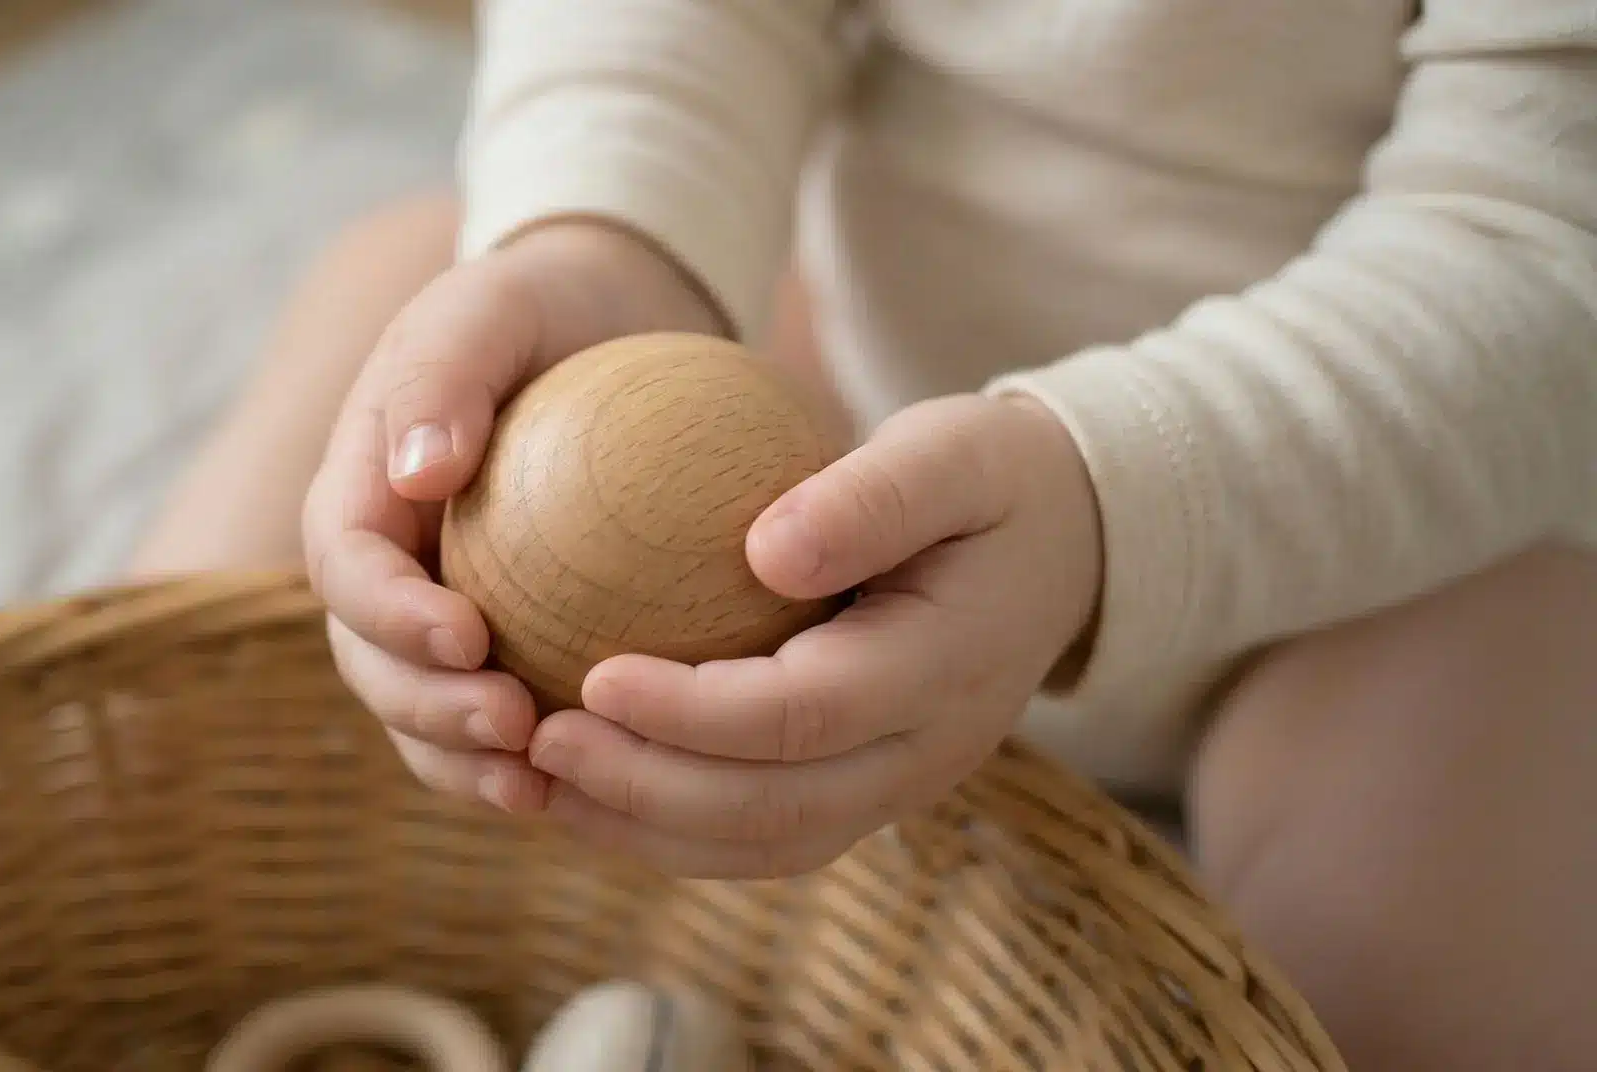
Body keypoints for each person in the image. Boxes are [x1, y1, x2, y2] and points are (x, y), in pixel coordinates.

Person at [130, 2, 1597, 1067]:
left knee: (1393, 995)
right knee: (408, 313)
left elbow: (1537, 239)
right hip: (834, 373)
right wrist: (610, 241)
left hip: (1384, 526)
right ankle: (111, 870)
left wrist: (1098, 507)